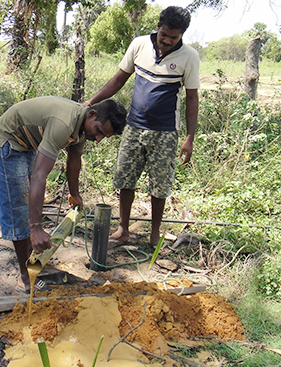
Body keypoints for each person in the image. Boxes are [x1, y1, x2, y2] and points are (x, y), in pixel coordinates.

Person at [83, 6, 199, 246]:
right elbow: (118, 80)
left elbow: (192, 98)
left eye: (173, 37)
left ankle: (154, 235)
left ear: (182, 35)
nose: (167, 40)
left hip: (165, 131)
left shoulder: (189, 57)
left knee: (160, 185)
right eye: (164, 34)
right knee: (125, 179)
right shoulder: (139, 45)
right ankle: (123, 229)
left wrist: (189, 137)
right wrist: (91, 102)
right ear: (157, 27)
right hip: (133, 127)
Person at [0, 96, 127, 292]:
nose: (98, 139)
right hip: (8, 141)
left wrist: (75, 194)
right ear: (92, 114)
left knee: (28, 202)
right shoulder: (64, 123)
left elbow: (73, 161)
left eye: (104, 136)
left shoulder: (82, 126)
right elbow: (39, 176)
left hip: (27, 143)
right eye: (98, 132)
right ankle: (26, 277)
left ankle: (32, 264)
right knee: (18, 207)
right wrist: (36, 227)